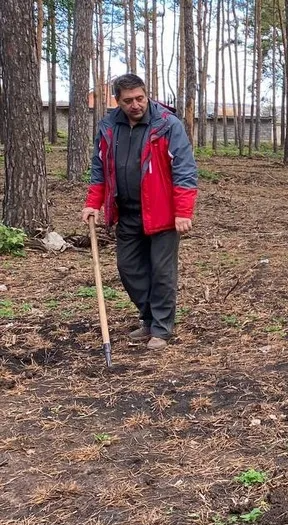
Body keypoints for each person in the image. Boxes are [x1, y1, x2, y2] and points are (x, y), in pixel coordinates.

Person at [81, 73, 198, 351]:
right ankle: (148, 318)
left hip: (163, 212)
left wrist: (183, 211)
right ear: (117, 101)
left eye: (140, 98)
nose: (135, 105)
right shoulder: (109, 127)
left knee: (161, 271)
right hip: (128, 212)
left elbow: (184, 169)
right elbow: (100, 168)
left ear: (147, 95)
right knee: (128, 267)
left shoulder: (168, 125)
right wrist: (92, 202)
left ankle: (161, 327)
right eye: (128, 100)